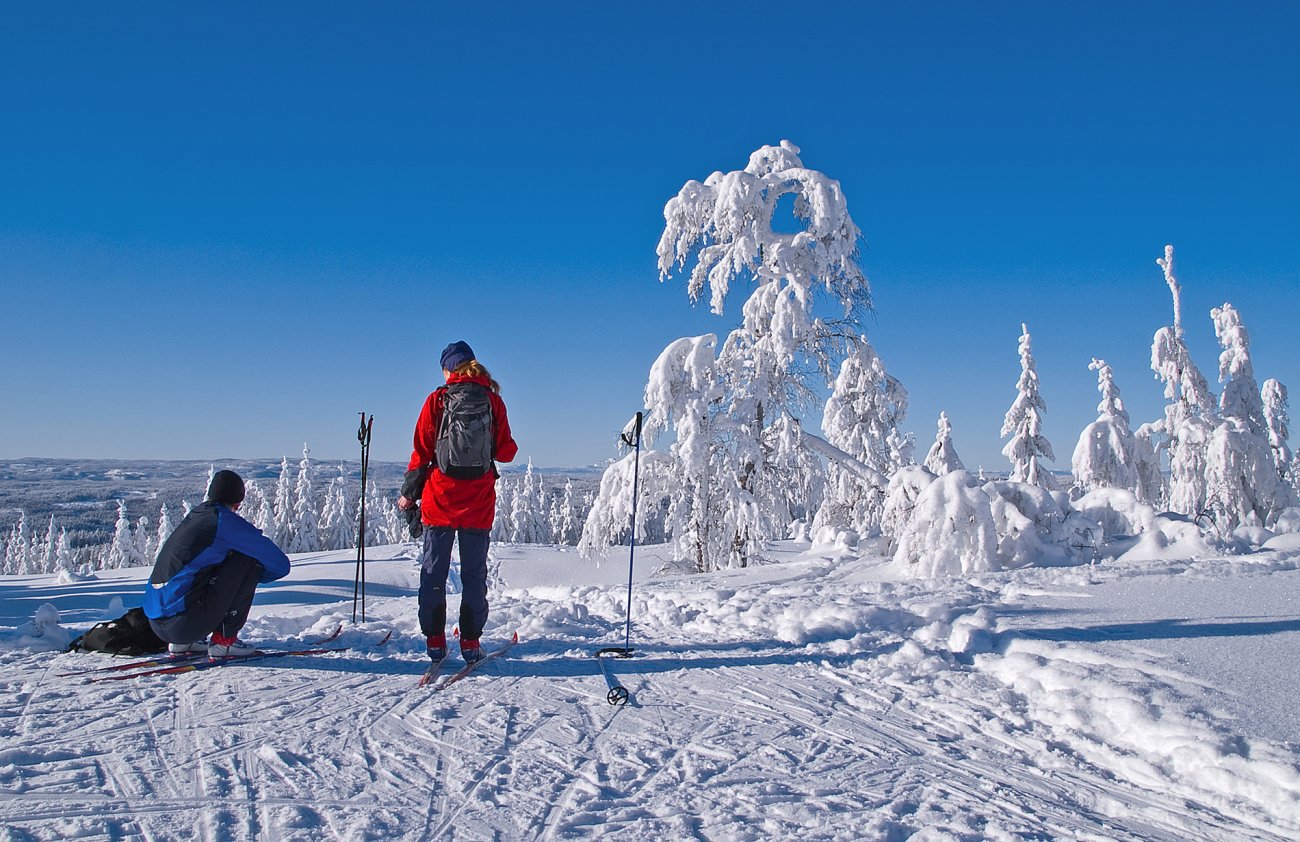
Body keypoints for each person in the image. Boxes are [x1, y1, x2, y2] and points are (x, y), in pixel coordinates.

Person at [398, 340, 517, 664]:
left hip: (439, 500)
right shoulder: (492, 401)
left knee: (433, 573)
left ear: (449, 369)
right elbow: (507, 452)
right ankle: (470, 642)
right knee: (474, 576)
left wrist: (409, 494)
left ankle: (435, 641)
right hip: (478, 503)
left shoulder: (437, 400)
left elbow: (422, 452)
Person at [143, 470, 291, 657]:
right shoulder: (224, 521)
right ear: (237, 502)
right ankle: (224, 642)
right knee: (249, 561)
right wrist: (247, 579)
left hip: (157, 624)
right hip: (185, 624)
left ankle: (185, 644)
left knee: (205, 566)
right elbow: (280, 564)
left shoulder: (197, 516)